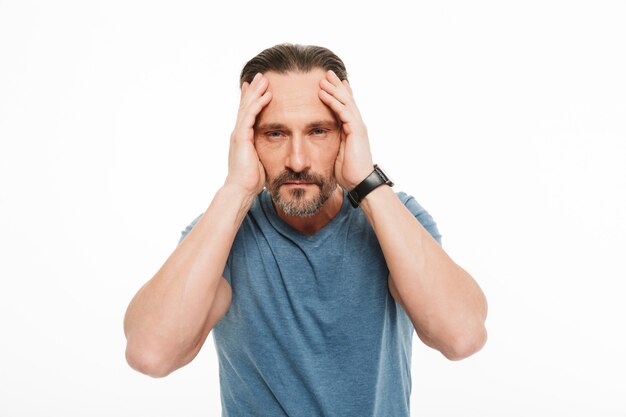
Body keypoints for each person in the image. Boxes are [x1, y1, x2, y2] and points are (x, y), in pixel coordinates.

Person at [123, 43, 488, 416]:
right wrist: (236, 190)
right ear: (247, 141)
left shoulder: (396, 217)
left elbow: (461, 337)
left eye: (318, 131)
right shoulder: (222, 231)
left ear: (346, 134)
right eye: (275, 134)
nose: (297, 161)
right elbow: (151, 354)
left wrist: (366, 182)